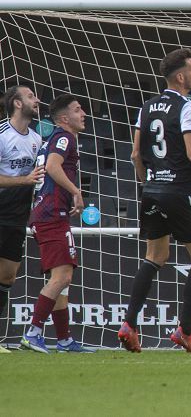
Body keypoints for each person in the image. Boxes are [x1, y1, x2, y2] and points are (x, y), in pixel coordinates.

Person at [117, 48, 191, 354]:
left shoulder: (147, 106)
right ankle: (185, 330)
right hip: (180, 190)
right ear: (180, 76)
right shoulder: (188, 106)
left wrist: (148, 184)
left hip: (152, 190)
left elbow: (135, 154)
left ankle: (128, 323)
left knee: (154, 257)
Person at [20, 94, 93, 354]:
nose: (83, 113)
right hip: (51, 214)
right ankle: (33, 332)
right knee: (63, 276)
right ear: (64, 118)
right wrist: (76, 191)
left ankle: (63, 339)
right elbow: (52, 166)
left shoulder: (54, 138)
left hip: (48, 212)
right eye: (77, 109)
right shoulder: (64, 137)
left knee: (62, 278)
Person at [0, 85, 43, 354]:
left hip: (17, 217)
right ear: (17, 103)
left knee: (7, 277)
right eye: (30, 96)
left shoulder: (37, 139)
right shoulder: (2, 135)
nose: (36, 100)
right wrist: (24, 180)